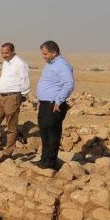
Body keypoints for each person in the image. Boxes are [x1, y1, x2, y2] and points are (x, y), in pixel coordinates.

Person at [35, 41, 75, 170]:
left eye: (45, 54)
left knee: (52, 133)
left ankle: (50, 162)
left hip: (54, 105)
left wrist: (59, 101)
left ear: (54, 52)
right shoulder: (50, 65)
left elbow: (69, 84)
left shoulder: (62, 65)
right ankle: (44, 159)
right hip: (45, 104)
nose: (44, 56)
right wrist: (40, 100)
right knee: (44, 132)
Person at [0, 42, 30, 159]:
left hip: (12, 96)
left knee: (11, 125)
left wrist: (22, 96)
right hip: (2, 97)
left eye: (6, 53)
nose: (4, 55)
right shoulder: (6, 63)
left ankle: (8, 151)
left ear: (13, 51)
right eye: (2, 53)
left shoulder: (20, 63)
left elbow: (25, 80)